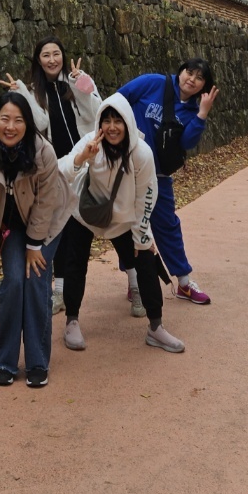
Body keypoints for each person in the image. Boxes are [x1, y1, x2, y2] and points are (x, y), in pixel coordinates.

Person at [0, 91, 71, 388]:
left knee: (36, 281)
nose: (10, 126)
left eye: (18, 120)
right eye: (4, 119)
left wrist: (34, 245)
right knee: (15, 281)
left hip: (48, 222)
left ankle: (37, 362)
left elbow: (46, 202)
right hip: (10, 226)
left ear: (27, 123)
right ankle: (5, 361)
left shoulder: (43, 151)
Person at [57, 94, 185, 354]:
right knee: (75, 262)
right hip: (85, 212)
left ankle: (156, 327)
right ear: (99, 123)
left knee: (145, 259)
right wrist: (82, 157)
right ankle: (72, 321)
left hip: (122, 219)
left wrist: (141, 236)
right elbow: (60, 171)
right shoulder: (91, 141)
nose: (112, 127)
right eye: (107, 121)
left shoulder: (141, 152)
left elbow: (146, 195)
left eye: (118, 121)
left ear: (128, 122)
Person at [0, 37, 100, 313]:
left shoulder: (78, 80)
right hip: (58, 168)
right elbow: (41, 122)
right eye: (46, 55)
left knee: (105, 219)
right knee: (61, 228)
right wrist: (23, 92)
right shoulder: (35, 90)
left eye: (56, 53)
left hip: (87, 160)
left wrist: (81, 85)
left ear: (63, 56)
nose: (52, 59)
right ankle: (60, 290)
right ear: (38, 60)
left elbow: (95, 113)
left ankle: (134, 280)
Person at [119, 59, 220, 307]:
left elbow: (186, 143)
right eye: (189, 72)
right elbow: (118, 101)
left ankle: (184, 282)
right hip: (127, 169)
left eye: (199, 78)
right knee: (126, 225)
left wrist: (202, 113)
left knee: (168, 226)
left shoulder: (193, 109)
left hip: (159, 176)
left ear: (204, 85)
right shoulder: (151, 83)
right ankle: (134, 282)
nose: (191, 79)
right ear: (181, 71)